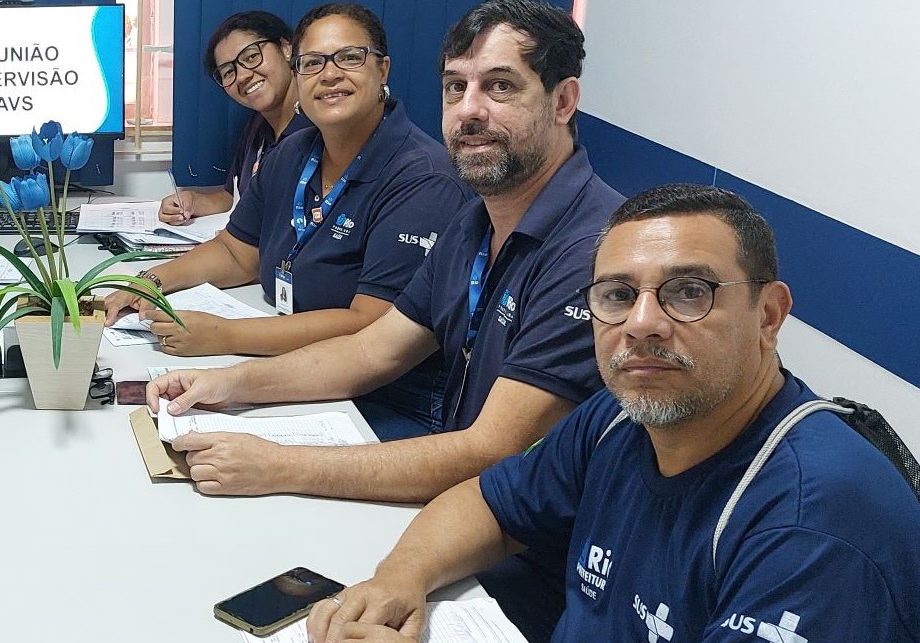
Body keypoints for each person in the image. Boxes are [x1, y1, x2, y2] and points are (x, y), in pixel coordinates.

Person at [305, 184, 920, 643]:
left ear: (769, 317)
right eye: (617, 295)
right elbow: (490, 504)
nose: (641, 324)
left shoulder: (814, 528)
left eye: (689, 292)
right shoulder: (620, 419)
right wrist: (399, 579)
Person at [147, 0, 623, 495]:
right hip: (457, 478)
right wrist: (224, 385)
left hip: (520, 538)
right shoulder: (475, 221)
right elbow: (370, 352)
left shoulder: (597, 252)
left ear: (564, 101)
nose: (469, 111)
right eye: (456, 87)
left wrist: (282, 467)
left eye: (500, 86)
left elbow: (490, 451)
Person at [105, 3, 470, 437]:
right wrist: (150, 282)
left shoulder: (422, 179)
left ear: (383, 69)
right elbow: (236, 253)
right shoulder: (293, 154)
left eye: (349, 57)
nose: (329, 74)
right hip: (296, 366)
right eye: (312, 63)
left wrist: (225, 336)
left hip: (388, 400)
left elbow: (368, 326)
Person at [159, 10, 312, 224]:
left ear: (286, 48)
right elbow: (235, 197)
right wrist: (191, 201)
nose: (242, 76)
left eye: (251, 56)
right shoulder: (257, 127)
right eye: (229, 72)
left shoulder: (320, 128)